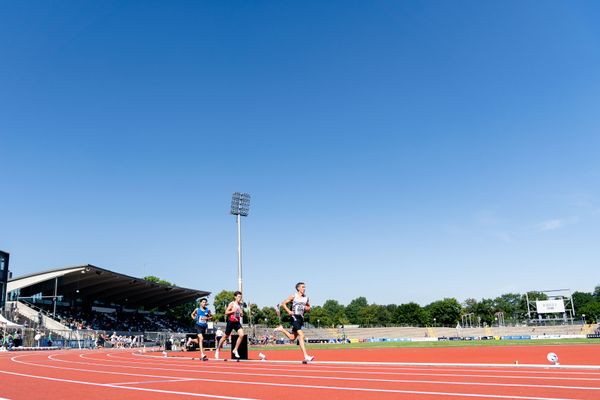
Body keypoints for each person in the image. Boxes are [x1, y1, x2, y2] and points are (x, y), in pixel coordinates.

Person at [274, 282, 314, 362]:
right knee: (301, 336)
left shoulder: (306, 298)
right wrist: (288, 311)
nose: (304, 288)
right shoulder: (293, 296)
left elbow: (309, 307)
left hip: (301, 318)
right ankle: (306, 356)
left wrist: (308, 308)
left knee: (292, 338)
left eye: (305, 287)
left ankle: (282, 329)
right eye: (302, 287)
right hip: (294, 316)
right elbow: (283, 303)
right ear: (298, 288)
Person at [215, 291, 244, 359]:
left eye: (241, 297)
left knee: (242, 335)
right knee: (225, 337)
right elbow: (226, 312)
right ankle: (218, 349)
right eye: (239, 297)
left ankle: (235, 349)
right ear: (235, 297)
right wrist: (232, 311)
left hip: (237, 322)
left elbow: (241, 314)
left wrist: (241, 313)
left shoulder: (240, 305)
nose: (240, 298)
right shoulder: (232, 303)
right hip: (230, 322)